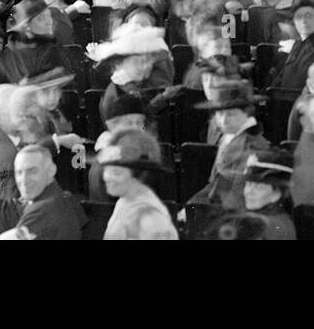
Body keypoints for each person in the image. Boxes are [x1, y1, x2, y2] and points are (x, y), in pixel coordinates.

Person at [188, 78, 270, 211]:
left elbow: (236, 199)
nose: (224, 120)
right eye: (220, 113)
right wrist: (191, 207)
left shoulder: (255, 146)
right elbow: (214, 184)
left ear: (247, 113)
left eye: (231, 114)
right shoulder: (228, 138)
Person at [0, 143, 87, 240]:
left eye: (32, 171)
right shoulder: (65, 197)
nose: (24, 180)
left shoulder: (42, 210)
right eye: (19, 172)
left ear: (51, 171)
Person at [99, 128, 179, 239]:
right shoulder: (124, 202)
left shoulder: (148, 218)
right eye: (106, 170)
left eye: (117, 173)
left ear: (138, 175)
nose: (107, 177)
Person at [237, 151, 297, 240]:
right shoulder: (257, 219)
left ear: (277, 194)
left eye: (259, 187)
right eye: (248, 184)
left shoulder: (272, 227)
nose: (249, 191)